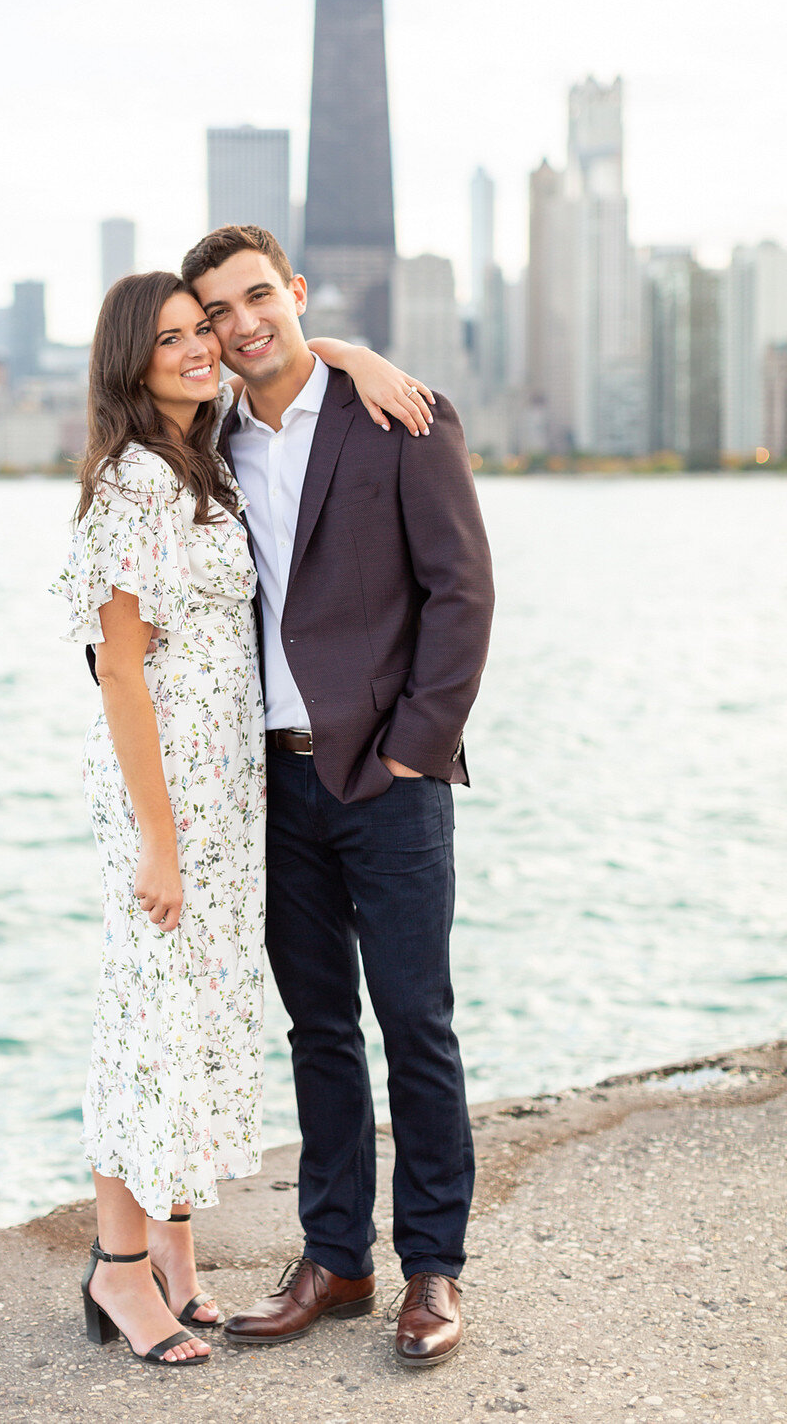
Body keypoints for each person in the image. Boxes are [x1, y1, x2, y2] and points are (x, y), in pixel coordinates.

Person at [55, 270, 434, 1367]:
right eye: (168, 337)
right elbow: (120, 675)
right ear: (129, 358)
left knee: (201, 1016)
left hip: (231, 791)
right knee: (148, 1018)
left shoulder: (204, 456)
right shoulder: (131, 483)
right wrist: (160, 840)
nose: (195, 349)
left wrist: (355, 356)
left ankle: (174, 1248)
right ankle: (119, 1272)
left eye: (200, 329)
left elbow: (292, 373)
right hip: (165, 795)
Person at [180, 225, 494, 1369]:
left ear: (295, 293)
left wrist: (416, 748)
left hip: (389, 777)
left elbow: (461, 593)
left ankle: (434, 1270)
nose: (242, 321)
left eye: (257, 295)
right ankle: (336, 1258)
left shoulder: (401, 417)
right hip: (272, 781)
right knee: (317, 1027)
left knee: (415, 1022)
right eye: (218, 310)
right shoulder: (207, 445)